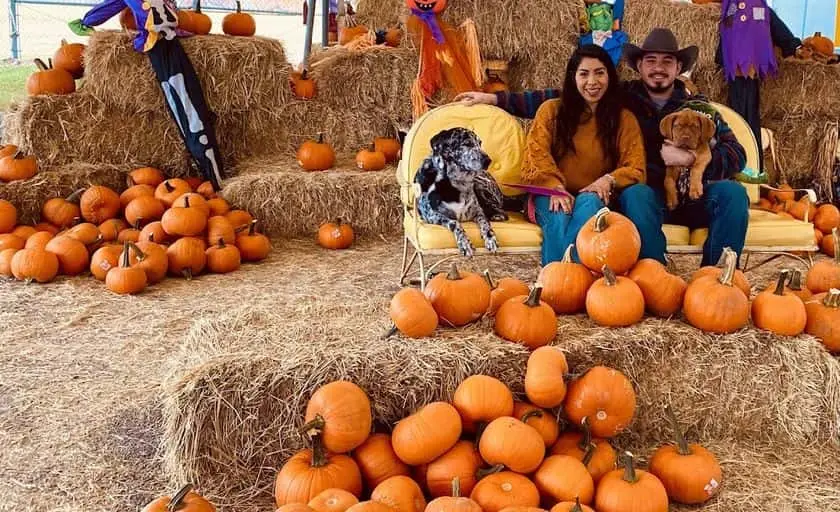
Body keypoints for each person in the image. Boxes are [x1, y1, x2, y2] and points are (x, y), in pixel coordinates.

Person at [456, 28, 749, 267]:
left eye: (667, 62)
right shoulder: (624, 98)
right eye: (651, 61)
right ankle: (650, 271)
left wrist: (690, 160)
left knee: (733, 193)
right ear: (639, 66)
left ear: (679, 67)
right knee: (637, 194)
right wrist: (495, 99)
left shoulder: (700, 110)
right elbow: (567, 94)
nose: (658, 68)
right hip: (648, 198)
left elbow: (737, 154)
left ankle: (717, 277)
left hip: (692, 193)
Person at [507, 44, 647, 266]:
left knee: (591, 205)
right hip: (550, 192)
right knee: (558, 214)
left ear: (610, 76)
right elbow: (536, 156)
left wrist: (608, 180)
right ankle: (558, 283)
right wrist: (555, 187)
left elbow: (636, 167)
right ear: (573, 78)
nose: (592, 82)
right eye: (584, 74)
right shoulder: (550, 110)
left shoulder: (624, 119)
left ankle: (566, 283)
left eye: (600, 73)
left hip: (594, 193)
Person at [69, 0, 225, 190]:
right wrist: (87, 21)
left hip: (170, 40)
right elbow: (113, 4)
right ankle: (212, 172)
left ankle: (214, 172)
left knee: (191, 100)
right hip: (156, 42)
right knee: (184, 103)